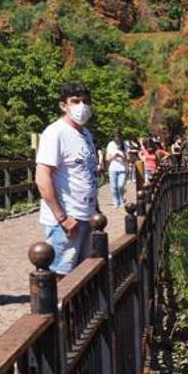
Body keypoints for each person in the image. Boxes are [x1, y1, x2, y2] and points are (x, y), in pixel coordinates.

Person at [35, 81, 99, 275]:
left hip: (86, 216)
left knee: (83, 275)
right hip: (66, 221)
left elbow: (86, 172)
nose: (81, 106)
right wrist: (62, 217)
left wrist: (95, 208)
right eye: (75, 101)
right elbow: (43, 177)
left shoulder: (86, 134)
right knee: (61, 276)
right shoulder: (55, 133)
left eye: (85, 101)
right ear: (64, 105)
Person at [104, 131, 130, 208]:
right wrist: (114, 156)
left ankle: (121, 200)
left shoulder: (125, 144)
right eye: (116, 137)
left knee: (120, 186)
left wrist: (122, 155)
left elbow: (128, 158)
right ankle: (116, 202)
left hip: (122, 168)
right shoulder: (110, 144)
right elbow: (107, 158)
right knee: (114, 187)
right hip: (112, 169)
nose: (117, 138)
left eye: (118, 136)